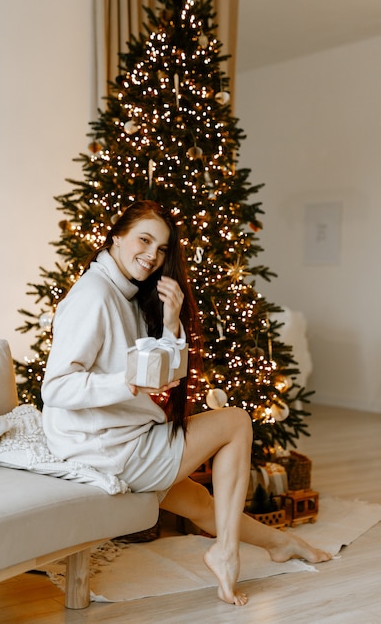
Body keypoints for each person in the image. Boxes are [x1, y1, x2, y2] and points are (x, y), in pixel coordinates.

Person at [42, 200, 331, 606]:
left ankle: (281, 544)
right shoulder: (93, 295)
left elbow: (166, 375)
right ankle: (225, 554)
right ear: (117, 236)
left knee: (197, 502)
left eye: (161, 249)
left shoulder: (125, 292)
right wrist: (125, 382)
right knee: (235, 422)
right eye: (144, 240)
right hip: (104, 446)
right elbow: (55, 388)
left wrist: (171, 321)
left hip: (113, 437)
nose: (152, 256)